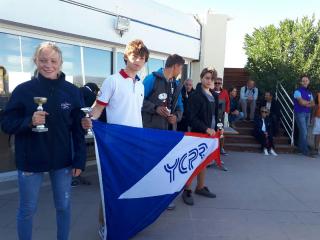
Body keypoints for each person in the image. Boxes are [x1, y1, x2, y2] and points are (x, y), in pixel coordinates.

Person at [1, 42, 87, 240]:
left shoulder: (72, 92)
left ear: (61, 63)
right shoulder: (23, 90)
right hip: (30, 159)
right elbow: (6, 123)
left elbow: (78, 129)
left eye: (53, 61)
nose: (48, 65)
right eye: (43, 60)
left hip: (62, 161)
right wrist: (28, 121)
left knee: (63, 207)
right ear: (35, 61)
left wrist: (80, 159)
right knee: (27, 209)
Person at [81, 39, 150, 240]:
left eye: (143, 58)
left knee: (132, 184)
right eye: (135, 56)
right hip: (116, 144)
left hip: (136, 142)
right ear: (127, 56)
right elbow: (98, 108)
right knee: (110, 185)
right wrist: (87, 119)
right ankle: (104, 225)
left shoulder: (141, 86)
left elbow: (135, 114)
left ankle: (126, 221)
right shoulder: (112, 80)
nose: (138, 61)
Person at [142, 54, 185, 209]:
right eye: (181, 68)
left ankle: (161, 200)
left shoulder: (178, 85)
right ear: (175, 66)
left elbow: (180, 108)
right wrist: (155, 108)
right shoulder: (151, 79)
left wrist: (176, 117)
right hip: (150, 132)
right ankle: (146, 199)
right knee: (149, 166)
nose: (180, 72)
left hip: (168, 134)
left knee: (164, 166)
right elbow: (137, 100)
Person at [182, 67, 218, 206]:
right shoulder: (195, 95)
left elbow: (215, 116)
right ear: (202, 78)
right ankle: (187, 190)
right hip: (197, 134)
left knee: (204, 162)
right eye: (207, 78)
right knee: (192, 163)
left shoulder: (213, 95)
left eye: (212, 79)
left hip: (209, 135)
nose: (209, 81)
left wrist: (217, 128)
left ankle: (200, 187)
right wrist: (205, 128)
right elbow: (191, 118)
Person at [293, 75, 315, 157]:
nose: (305, 82)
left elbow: (313, 104)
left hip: (307, 113)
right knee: (304, 132)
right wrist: (308, 103)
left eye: (306, 80)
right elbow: (301, 103)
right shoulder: (297, 91)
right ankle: (306, 151)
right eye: (303, 80)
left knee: (303, 132)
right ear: (301, 82)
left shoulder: (309, 92)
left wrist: (306, 103)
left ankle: (299, 148)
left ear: (308, 82)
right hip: (299, 113)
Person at [212, 77, 230, 156]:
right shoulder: (211, 91)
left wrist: (226, 113)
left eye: (219, 83)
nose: (217, 85)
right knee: (212, 131)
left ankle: (221, 148)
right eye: (215, 83)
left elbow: (227, 103)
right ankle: (212, 149)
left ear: (221, 84)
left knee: (221, 132)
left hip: (221, 116)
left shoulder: (225, 92)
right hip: (212, 115)